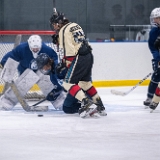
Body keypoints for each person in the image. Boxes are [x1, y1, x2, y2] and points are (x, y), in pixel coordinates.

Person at [50, 9, 107, 118]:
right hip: (89, 55)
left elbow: (70, 52)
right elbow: (76, 42)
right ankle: (100, 106)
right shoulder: (75, 25)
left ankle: (86, 103)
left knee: (68, 83)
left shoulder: (63, 31)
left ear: (58, 24)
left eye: (54, 25)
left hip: (79, 57)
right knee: (85, 83)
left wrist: (64, 63)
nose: (54, 27)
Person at [0, 35, 64, 110]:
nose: (35, 50)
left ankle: (60, 101)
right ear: (29, 45)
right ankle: (7, 102)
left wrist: (55, 73)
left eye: (37, 48)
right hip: (26, 71)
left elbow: (54, 60)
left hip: (42, 72)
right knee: (22, 84)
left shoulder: (47, 49)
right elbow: (11, 56)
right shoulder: (22, 48)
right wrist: (3, 64)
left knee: (49, 83)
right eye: (33, 48)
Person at [143, 7, 160, 108]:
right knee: (156, 75)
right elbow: (153, 48)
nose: (154, 20)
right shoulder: (154, 32)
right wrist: (157, 59)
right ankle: (150, 97)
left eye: (156, 18)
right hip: (158, 58)